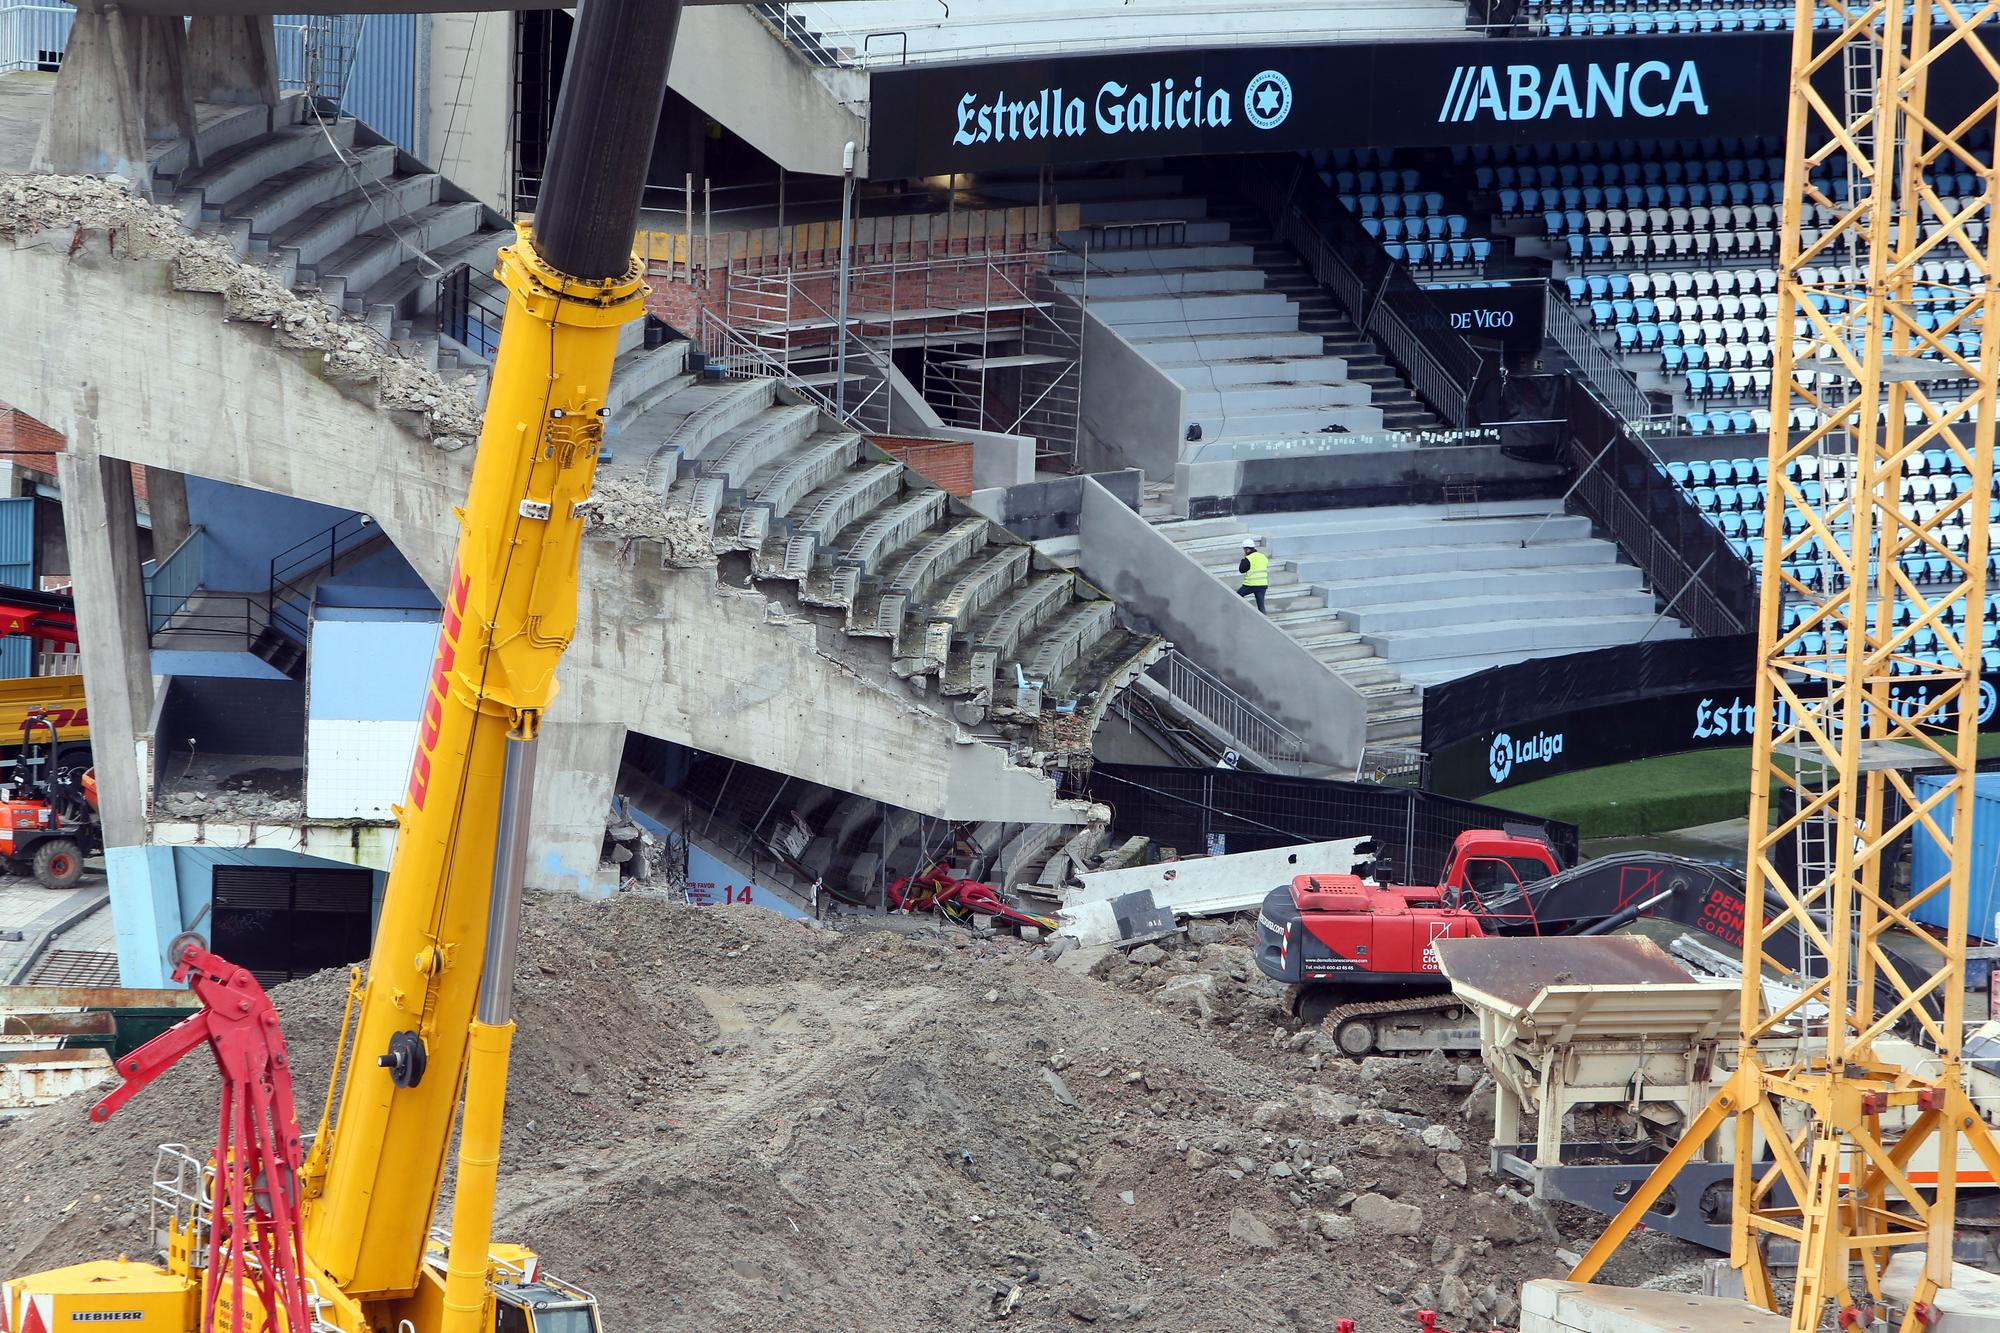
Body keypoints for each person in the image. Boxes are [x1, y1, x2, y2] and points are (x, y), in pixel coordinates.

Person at [1237, 536, 1269, 614]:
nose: (1244, 551)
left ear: (1247, 549)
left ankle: (1238, 612)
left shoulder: (1248, 558)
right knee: (1261, 606)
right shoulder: (1263, 557)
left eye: (1244, 549)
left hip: (1250, 585)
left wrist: (1243, 560)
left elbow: (1241, 570)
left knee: (1236, 596)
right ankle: (1265, 621)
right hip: (1263, 584)